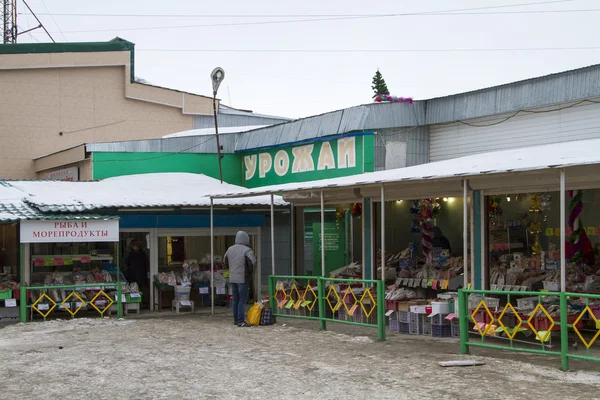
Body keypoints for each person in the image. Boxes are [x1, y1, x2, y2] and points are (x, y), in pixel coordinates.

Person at [224, 231, 257, 327]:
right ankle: (241, 321)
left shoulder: (229, 249)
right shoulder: (247, 250)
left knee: (235, 299)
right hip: (242, 278)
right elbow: (252, 263)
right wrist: (249, 275)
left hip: (232, 277)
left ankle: (236, 320)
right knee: (242, 300)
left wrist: (232, 270)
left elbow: (225, 261)